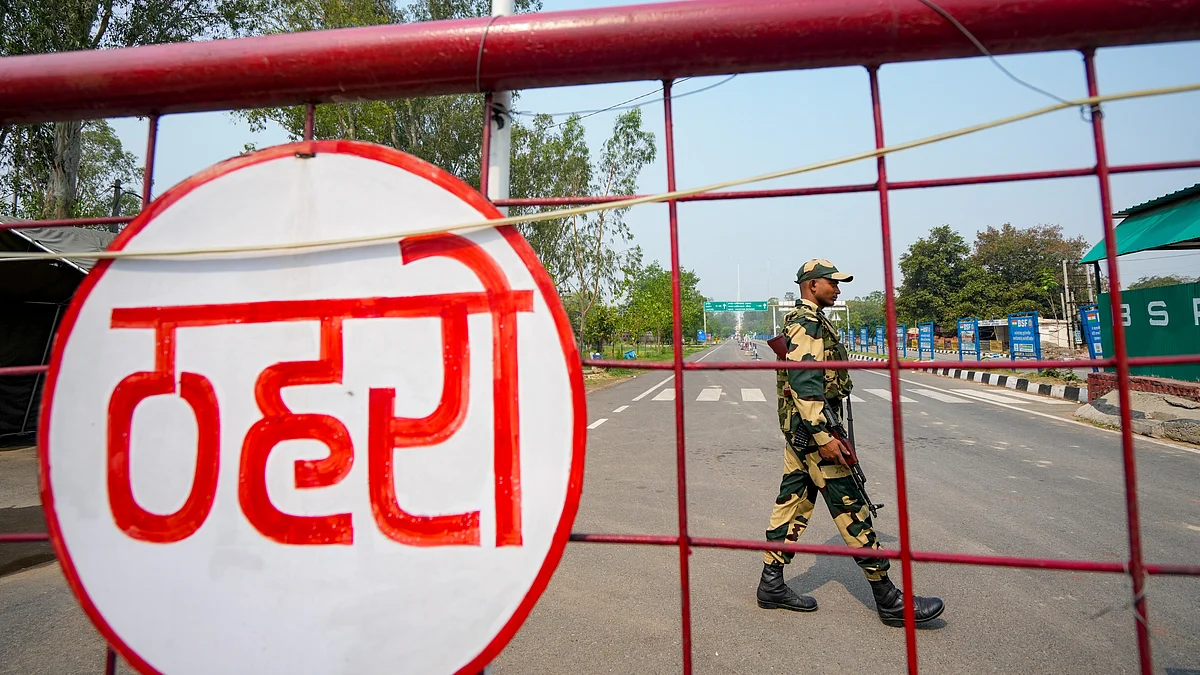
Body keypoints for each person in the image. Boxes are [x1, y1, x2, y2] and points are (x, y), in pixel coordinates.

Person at [755, 258, 944, 627]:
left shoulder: (808, 320)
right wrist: (826, 437)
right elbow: (805, 383)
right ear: (812, 285)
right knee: (851, 505)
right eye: (833, 283)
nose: (838, 289)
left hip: (803, 431)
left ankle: (771, 584)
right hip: (814, 432)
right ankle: (889, 599)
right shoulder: (807, 322)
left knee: (793, 502)